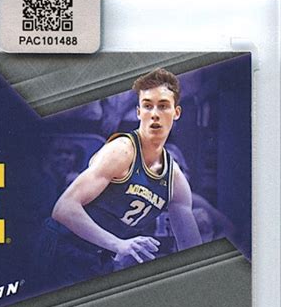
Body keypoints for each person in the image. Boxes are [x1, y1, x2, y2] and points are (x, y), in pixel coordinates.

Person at [42, 68, 201, 283]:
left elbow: (191, 250)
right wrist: (119, 244)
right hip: (62, 247)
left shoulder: (175, 179)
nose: (155, 113)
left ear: (176, 112)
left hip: (102, 256)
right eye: (148, 106)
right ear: (138, 112)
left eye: (163, 106)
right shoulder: (122, 151)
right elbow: (63, 208)